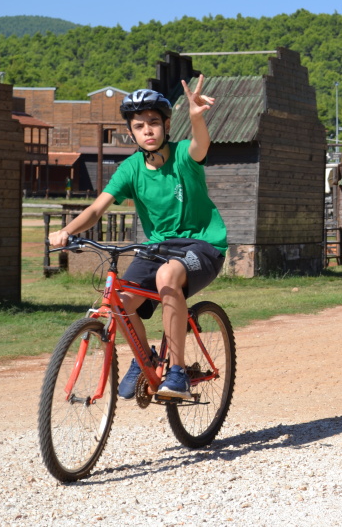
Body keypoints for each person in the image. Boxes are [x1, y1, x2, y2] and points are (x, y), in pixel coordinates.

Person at [48, 78, 227, 400]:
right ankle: (147, 359)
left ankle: (177, 371)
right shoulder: (130, 168)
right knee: (121, 301)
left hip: (202, 245)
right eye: (140, 125)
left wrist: (197, 116)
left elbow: (201, 145)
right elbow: (96, 208)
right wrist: (67, 231)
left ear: (167, 125)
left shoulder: (184, 155)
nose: (148, 130)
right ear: (131, 131)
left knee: (167, 274)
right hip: (157, 247)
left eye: (154, 123)